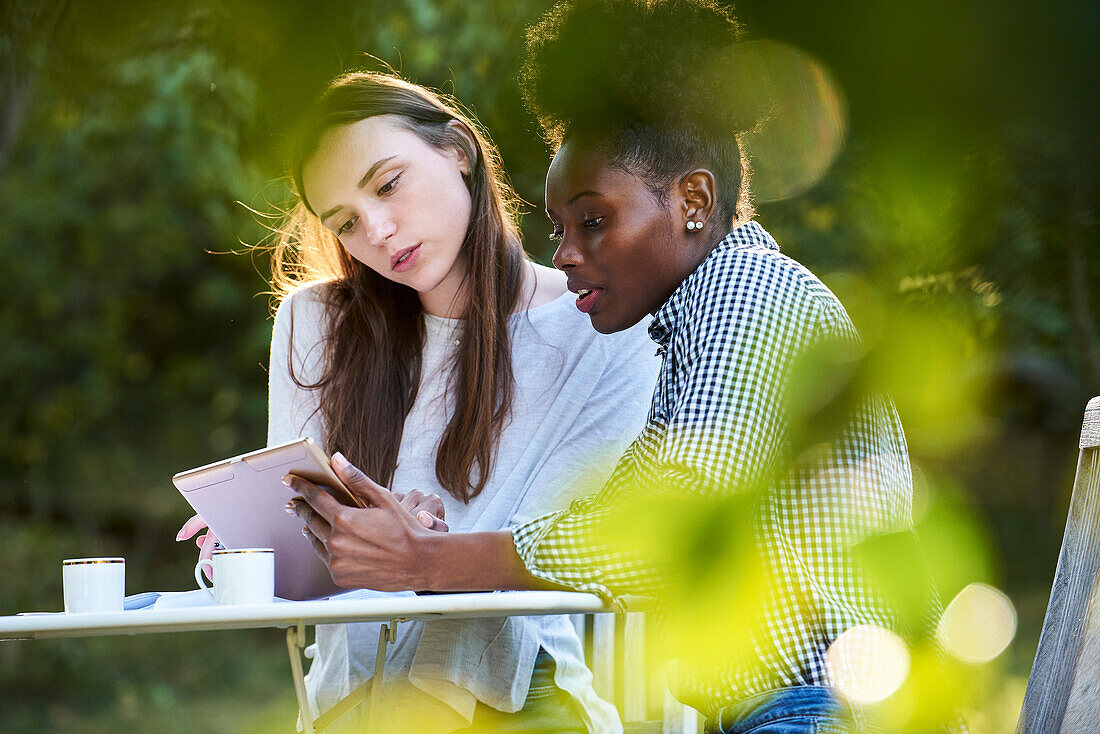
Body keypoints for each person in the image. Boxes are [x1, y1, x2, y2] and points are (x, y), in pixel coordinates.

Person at [288, 2, 945, 732]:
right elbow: (611, 527)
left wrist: (429, 563)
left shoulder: (747, 292)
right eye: (560, 228)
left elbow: (660, 530)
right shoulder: (691, 327)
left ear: (692, 200)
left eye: (593, 221)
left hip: (827, 706)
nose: (566, 252)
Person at [181, 70, 660, 733]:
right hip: (350, 707)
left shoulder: (602, 330)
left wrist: (422, 549)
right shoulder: (314, 323)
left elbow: (554, 554)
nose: (376, 230)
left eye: (388, 183)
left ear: (459, 152)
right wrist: (251, 542)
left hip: (518, 699)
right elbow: (306, 575)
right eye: (344, 221)